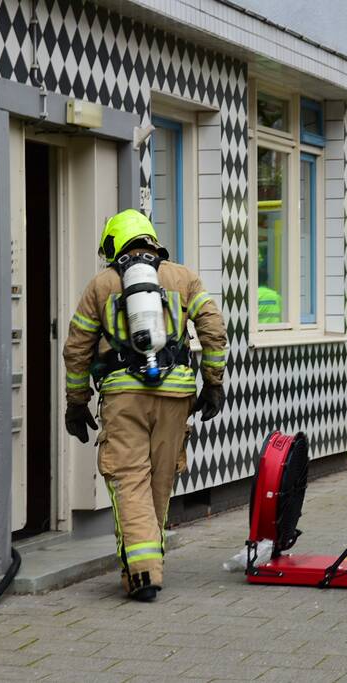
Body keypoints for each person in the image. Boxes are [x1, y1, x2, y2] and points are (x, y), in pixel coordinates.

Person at [63, 209, 227, 602]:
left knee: (128, 478)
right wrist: (213, 383)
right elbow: (214, 330)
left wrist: (76, 401)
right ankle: (149, 562)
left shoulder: (101, 284)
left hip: (124, 397)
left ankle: (142, 573)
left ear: (114, 245)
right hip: (177, 395)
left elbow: (77, 349)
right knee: (159, 479)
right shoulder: (184, 277)